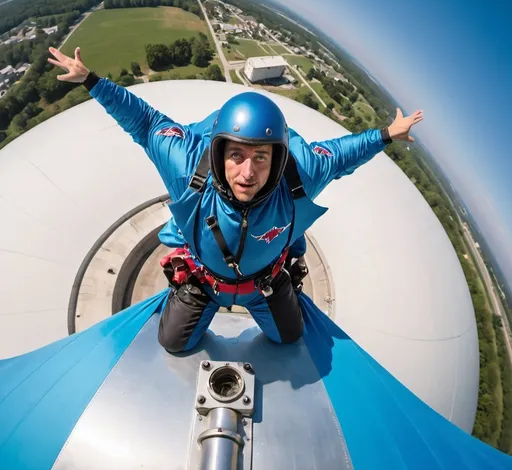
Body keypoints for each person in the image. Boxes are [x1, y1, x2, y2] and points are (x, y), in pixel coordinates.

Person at [48, 46, 424, 353]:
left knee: (289, 337)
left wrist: (387, 134)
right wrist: (91, 81)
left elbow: (343, 154)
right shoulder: (188, 167)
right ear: (219, 152)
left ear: (278, 157)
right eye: (237, 156)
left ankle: (277, 285)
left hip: (266, 283)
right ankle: (195, 288)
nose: (248, 173)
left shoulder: (300, 172)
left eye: (261, 157)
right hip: (203, 281)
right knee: (173, 342)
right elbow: (145, 122)